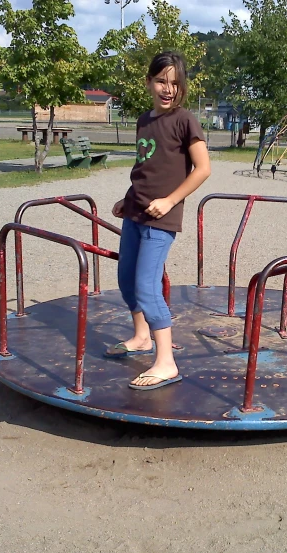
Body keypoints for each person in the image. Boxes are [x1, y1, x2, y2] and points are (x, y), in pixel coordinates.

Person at [104, 51, 211, 390]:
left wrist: (169, 200)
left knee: (148, 288)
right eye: (162, 81)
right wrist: (128, 198)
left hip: (161, 219)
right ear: (149, 81)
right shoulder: (144, 121)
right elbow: (146, 169)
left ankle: (166, 362)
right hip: (135, 212)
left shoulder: (184, 120)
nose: (168, 89)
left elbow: (203, 169)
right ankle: (141, 337)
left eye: (175, 83)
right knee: (126, 281)